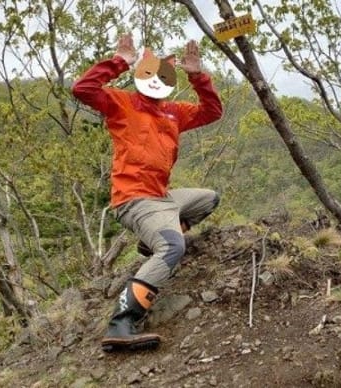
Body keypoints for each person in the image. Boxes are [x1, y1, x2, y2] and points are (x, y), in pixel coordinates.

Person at [72, 34, 223, 352]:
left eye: (163, 75)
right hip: (134, 200)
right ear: (140, 74)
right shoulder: (121, 103)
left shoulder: (173, 112)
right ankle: (121, 323)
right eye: (149, 72)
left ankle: (149, 241)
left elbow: (212, 111)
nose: (156, 80)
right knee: (172, 249)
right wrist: (119, 62)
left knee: (208, 198)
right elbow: (82, 90)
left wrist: (197, 75)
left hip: (162, 197)